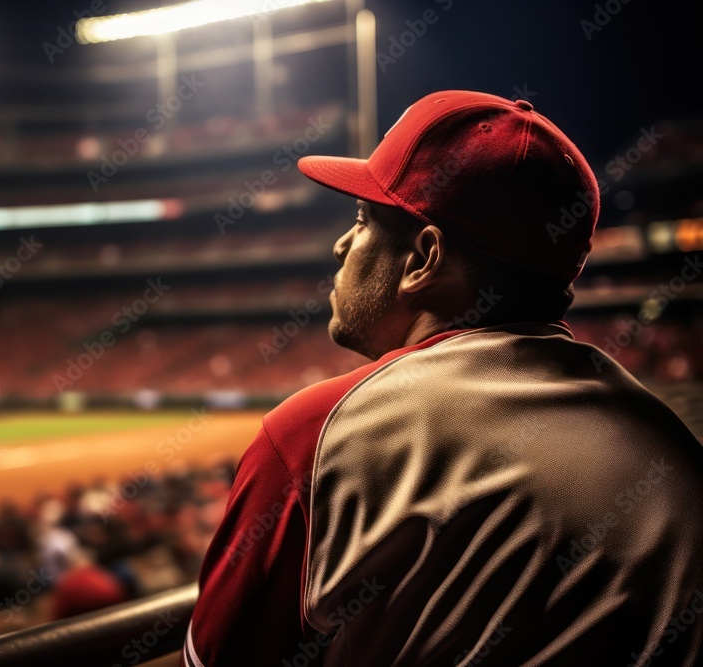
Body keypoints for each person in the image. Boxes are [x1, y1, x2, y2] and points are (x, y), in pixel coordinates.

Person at [182, 90, 703, 666]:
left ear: (424, 258)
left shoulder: (316, 436)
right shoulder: (666, 435)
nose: (341, 245)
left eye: (361, 220)